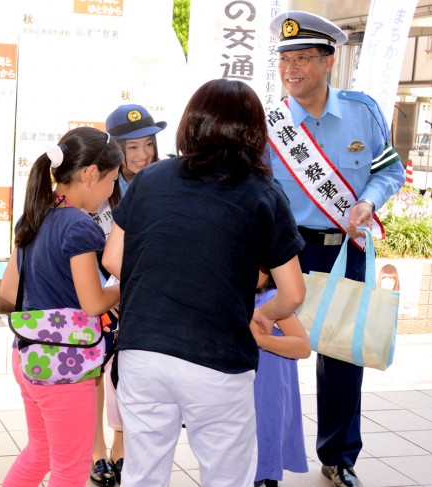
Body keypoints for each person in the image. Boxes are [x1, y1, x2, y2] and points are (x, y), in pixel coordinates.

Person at [102, 78, 306, 487]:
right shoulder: (263, 192)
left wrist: (166, 277)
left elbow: (112, 258)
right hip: (217, 357)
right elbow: (294, 293)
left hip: (143, 351)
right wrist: (264, 314)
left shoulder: (151, 179)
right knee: (226, 476)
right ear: (253, 131)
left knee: (142, 474)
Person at [267, 11, 406, 487]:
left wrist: (368, 201)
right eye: (286, 59)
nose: (292, 69)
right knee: (272, 354)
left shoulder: (363, 112)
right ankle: (266, 460)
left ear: (329, 62)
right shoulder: (271, 125)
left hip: (345, 250)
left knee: (343, 356)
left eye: (304, 57)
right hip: (284, 254)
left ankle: (339, 456)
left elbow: (391, 171)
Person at [0, 126, 122, 487]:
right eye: (112, 180)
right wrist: (125, 287)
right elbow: (93, 302)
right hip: (64, 364)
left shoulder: (34, 215)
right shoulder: (80, 226)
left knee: (40, 452)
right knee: (71, 467)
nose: (112, 191)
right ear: (90, 175)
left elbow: (9, 290)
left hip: (26, 354)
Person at [88, 103, 167, 486]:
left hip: (143, 293)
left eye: (147, 144)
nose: (141, 155)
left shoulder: (166, 180)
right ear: (114, 149)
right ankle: (96, 449)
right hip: (100, 293)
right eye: (131, 147)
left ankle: (121, 447)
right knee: (94, 370)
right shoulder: (100, 184)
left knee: (127, 372)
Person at [251, 268, 311, 487]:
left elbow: (303, 347)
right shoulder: (236, 296)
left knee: (264, 446)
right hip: (246, 390)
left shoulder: (273, 300)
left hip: (268, 392)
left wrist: (260, 339)